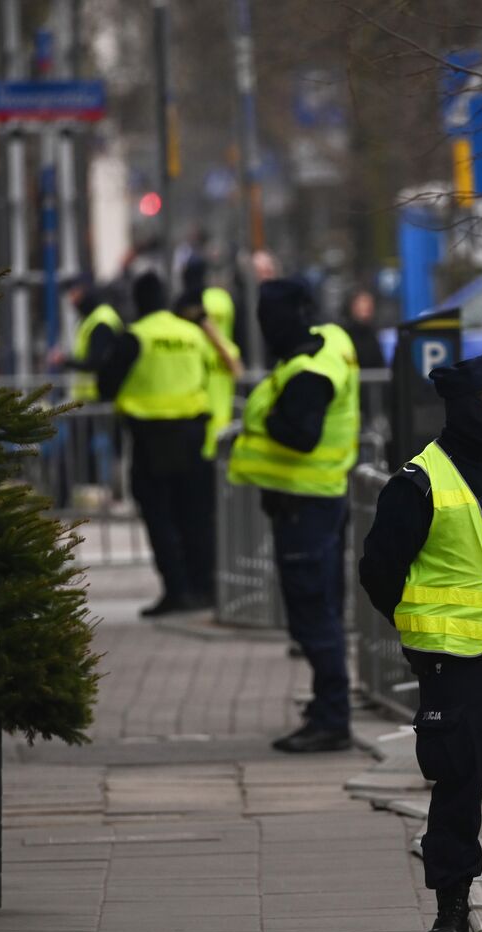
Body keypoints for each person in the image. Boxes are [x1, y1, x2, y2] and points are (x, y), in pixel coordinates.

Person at [358, 351, 482, 932]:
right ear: (471, 408)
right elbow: (379, 571)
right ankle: (451, 913)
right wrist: (423, 631)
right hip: (457, 665)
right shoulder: (416, 483)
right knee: (457, 788)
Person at [229, 279, 359, 753]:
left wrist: (262, 419)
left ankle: (332, 716)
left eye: (266, 317)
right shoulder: (331, 342)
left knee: (312, 615)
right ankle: (329, 705)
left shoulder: (307, 372)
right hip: (317, 500)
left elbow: (301, 435)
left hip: (307, 505)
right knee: (319, 607)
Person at [98, 272, 217, 617]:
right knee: (195, 516)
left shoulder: (137, 336)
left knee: (160, 518)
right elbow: (207, 375)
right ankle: (203, 588)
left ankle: (177, 591)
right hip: (194, 434)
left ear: (138, 301)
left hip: (152, 440)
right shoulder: (192, 334)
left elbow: (107, 384)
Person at [173, 286, 243, 461]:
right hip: (195, 426)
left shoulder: (225, 347)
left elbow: (237, 370)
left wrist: (214, 336)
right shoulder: (191, 343)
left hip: (220, 429)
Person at [52, 275, 122, 403]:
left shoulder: (101, 321)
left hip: (100, 398)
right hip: (89, 398)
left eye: (74, 293)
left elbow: (94, 362)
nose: (72, 300)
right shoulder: (89, 320)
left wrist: (65, 361)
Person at [341, 288, 385, 372]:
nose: (366, 310)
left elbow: (380, 366)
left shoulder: (373, 335)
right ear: (353, 307)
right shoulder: (344, 335)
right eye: (361, 306)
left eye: (368, 307)